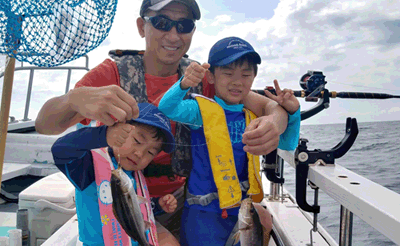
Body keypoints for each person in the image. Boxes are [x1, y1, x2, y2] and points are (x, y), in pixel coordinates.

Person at [35, 0, 294, 240]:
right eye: (161, 23)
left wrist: (275, 123)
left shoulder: (203, 77)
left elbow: (269, 106)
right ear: (141, 26)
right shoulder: (110, 73)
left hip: (186, 201)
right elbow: (44, 124)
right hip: (124, 200)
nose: (173, 35)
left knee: (261, 219)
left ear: (192, 32)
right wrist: (73, 99)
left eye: (184, 26)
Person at [158, 36, 301, 245]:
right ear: (211, 77)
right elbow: (166, 108)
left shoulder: (253, 117)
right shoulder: (200, 111)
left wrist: (293, 112)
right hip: (202, 213)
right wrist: (183, 84)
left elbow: (288, 144)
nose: (237, 81)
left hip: (242, 212)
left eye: (246, 74)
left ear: (253, 79)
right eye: (227, 73)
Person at [51, 103, 179, 246]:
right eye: (137, 141)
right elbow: (60, 150)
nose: (139, 153)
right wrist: (104, 135)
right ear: (117, 129)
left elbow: (133, 211)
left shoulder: (134, 175)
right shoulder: (89, 166)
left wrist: (158, 205)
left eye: (150, 152)